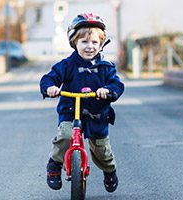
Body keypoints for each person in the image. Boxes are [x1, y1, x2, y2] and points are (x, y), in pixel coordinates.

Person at [39, 13, 124, 193]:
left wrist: (108, 91)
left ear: (101, 44)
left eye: (94, 42)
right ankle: (54, 166)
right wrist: (50, 88)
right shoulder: (67, 65)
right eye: (84, 42)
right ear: (74, 43)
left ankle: (109, 171)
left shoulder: (105, 67)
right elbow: (49, 78)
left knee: (102, 150)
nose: (90, 47)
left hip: (97, 113)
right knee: (66, 135)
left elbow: (117, 84)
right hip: (71, 111)